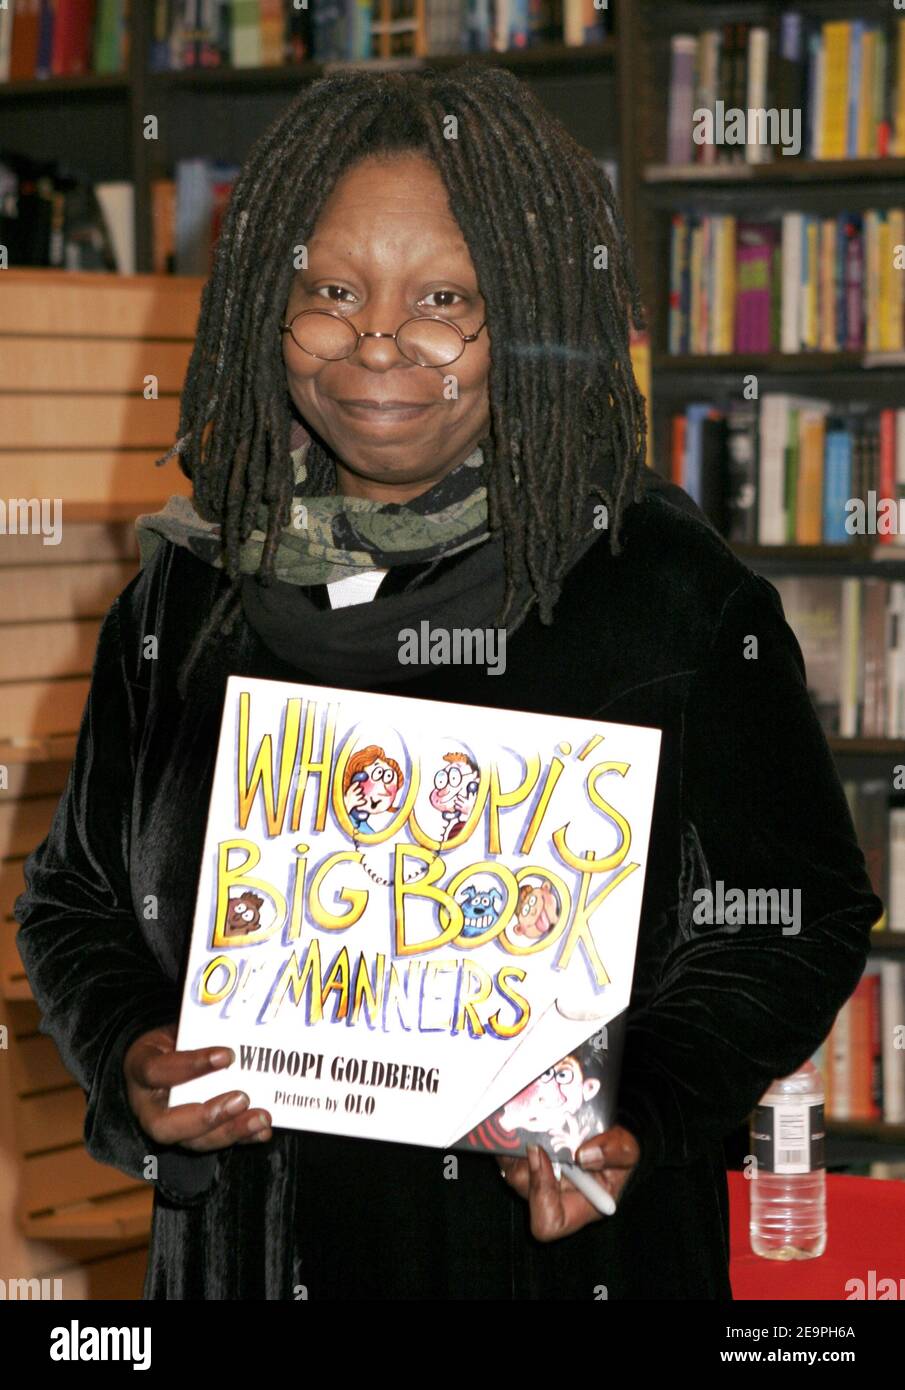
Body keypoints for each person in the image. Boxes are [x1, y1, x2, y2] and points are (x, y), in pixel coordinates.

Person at [14, 65, 881, 1301]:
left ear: (525, 314)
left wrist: (636, 1103)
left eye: (442, 299)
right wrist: (131, 1057)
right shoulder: (191, 591)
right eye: (329, 291)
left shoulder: (660, 593)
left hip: (550, 1267)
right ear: (273, 305)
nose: (376, 341)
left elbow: (792, 912)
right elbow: (73, 901)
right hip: (250, 1255)